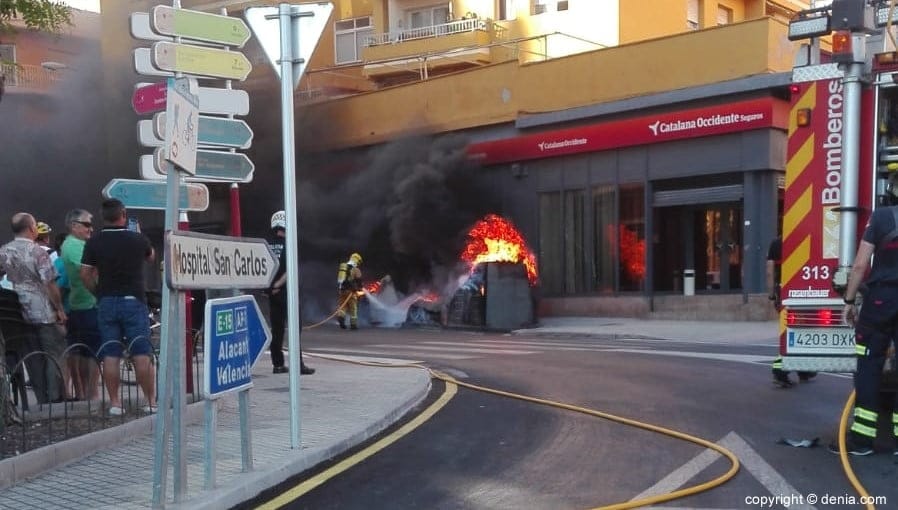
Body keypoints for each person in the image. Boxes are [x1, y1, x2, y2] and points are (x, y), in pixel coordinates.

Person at [833, 178, 898, 456]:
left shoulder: (882, 217)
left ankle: (862, 440)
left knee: (869, 367)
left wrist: (849, 300)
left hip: (882, 300)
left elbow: (860, 264)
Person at [80, 199, 156, 416]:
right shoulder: (137, 239)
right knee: (141, 353)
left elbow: (85, 274)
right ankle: (150, 401)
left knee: (111, 353)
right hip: (134, 301)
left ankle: (115, 403)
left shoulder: (94, 242)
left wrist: (98, 293)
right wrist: (140, 235)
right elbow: (151, 257)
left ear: (103, 216)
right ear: (123, 214)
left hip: (107, 302)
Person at [0, 212, 67, 404]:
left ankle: (40, 398)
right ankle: (54, 397)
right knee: (52, 353)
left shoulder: (4, 251)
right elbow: (50, 284)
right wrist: (59, 308)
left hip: (17, 312)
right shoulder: (38, 252)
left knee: (32, 356)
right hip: (43, 311)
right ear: (31, 228)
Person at [267, 211, 314, 375]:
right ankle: (298, 365)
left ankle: (278, 365)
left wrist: (270, 287)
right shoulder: (289, 245)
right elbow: (290, 269)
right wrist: (278, 285)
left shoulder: (266, 245)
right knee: (294, 329)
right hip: (287, 294)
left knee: (276, 330)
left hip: (271, 295)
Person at [61, 209, 100, 401]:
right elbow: (88, 271)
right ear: (73, 225)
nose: (91, 229)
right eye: (86, 224)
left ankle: (85, 393)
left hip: (78, 304)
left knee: (84, 351)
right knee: (92, 351)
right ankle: (91, 395)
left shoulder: (72, 245)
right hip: (87, 303)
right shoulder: (76, 246)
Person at [767, 235, 816, 388]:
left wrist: (771, 294)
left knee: (791, 330)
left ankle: (803, 368)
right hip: (805, 290)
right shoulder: (806, 238)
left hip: (785, 292)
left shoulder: (776, 243)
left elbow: (770, 271)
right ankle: (780, 369)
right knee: (799, 330)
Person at [336, 252, 363, 330]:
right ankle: (353, 325)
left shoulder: (344, 267)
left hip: (342, 290)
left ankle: (341, 317)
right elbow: (359, 280)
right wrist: (360, 288)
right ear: (357, 260)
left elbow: (341, 280)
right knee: (353, 308)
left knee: (342, 306)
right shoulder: (356, 269)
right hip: (350, 292)